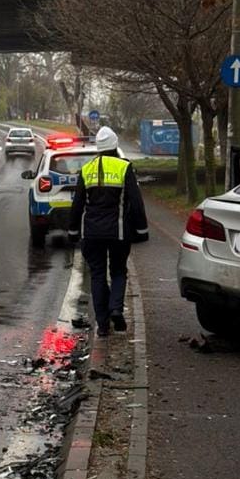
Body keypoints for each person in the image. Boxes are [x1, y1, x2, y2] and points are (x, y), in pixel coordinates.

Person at [69, 126, 149, 337]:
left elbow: (77, 204)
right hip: (118, 232)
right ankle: (116, 309)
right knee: (118, 271)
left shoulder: (86, 169)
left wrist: (73, 231)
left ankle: (103, 325)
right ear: (115, 145)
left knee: (97, 274)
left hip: (91, 233)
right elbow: (136, 201)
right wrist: (142, 229)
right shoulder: (124, 167)